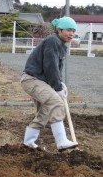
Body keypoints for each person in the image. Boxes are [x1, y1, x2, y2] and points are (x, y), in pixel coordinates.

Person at [21, 16, 78, 151]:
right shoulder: (53, 41)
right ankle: (61, 141)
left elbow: (57, 68)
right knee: (56, 102)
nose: (71, 34)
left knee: (45, 111)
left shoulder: (61, 45)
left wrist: (60, 84)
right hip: (32, 80)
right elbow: (50, 66)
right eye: (68, 30)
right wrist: (57, 87)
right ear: (59, 29)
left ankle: (28, 142)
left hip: (41, 81)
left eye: (74, 31)